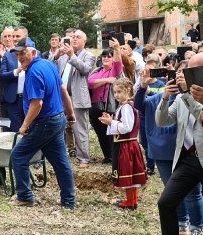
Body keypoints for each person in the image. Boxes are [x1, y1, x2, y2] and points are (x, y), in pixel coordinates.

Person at [149, 53, 203, 235]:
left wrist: (186, 94)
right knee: (166, 202)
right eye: (188, 69)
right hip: (187, 158)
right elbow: (163, 121)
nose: (190, 75)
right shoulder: (182, 96)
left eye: (196, 70)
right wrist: (165, 97)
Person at [9, 37, 76, 208]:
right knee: (61, 162)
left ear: (33, 52)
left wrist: (24, 125)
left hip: (44, 123)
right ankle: (69, 201)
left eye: (23, 53)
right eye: (17, 54)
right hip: (58, 120)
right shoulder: (49, 65)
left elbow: (36, 104)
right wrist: (70, 113)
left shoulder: (33, 72)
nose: (20, 57)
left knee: (18, 155)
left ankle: (24, 196)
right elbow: (62, 90)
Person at [99, 78, 147, 209]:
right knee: (131, 173)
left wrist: (111, 123)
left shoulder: (126, 107)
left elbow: (127, 127)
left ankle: (130, 202)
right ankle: (131, 200)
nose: (116, 95)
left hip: (126, 145)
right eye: (114, 92)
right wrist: (111, 121)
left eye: (119, 92)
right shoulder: (126, 106)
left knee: (128, 172)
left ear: (128, 90)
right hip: (128, 144)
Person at [56, 30, 95, 168]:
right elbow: (50, 68)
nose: (74, 39)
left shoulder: (88, 55)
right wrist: (56, 56)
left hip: (77, 97)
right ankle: (60, 154)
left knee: (80, 128)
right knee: (58, 126)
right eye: (72, 37)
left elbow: (85, 69)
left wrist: (72, 55)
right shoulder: (63, 56)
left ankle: (83, 158)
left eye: (77, 37)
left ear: (84, 41)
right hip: (61, 97)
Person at [87, 38, 122, 163]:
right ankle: (107, 156)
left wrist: (117, 48)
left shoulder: (115, 70)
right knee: (100, 133)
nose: (106, 58)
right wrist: (106, 80)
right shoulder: (97, 71)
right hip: (95, 107)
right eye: (104, 56)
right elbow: (90, 83)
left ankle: (114, 156)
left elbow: (118, 63)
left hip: (110, 106)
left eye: (109, 56)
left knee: (111, 131)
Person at [0, 26, 27, 132]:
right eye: (13, 36)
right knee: (16, 130)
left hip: (29, 99)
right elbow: (2, 75)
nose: (14, 39)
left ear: (25, 37)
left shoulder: (34, 53)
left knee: (29, 129)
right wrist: (16, 71)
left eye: (17, 36)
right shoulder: (8, 55)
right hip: (13, 100)